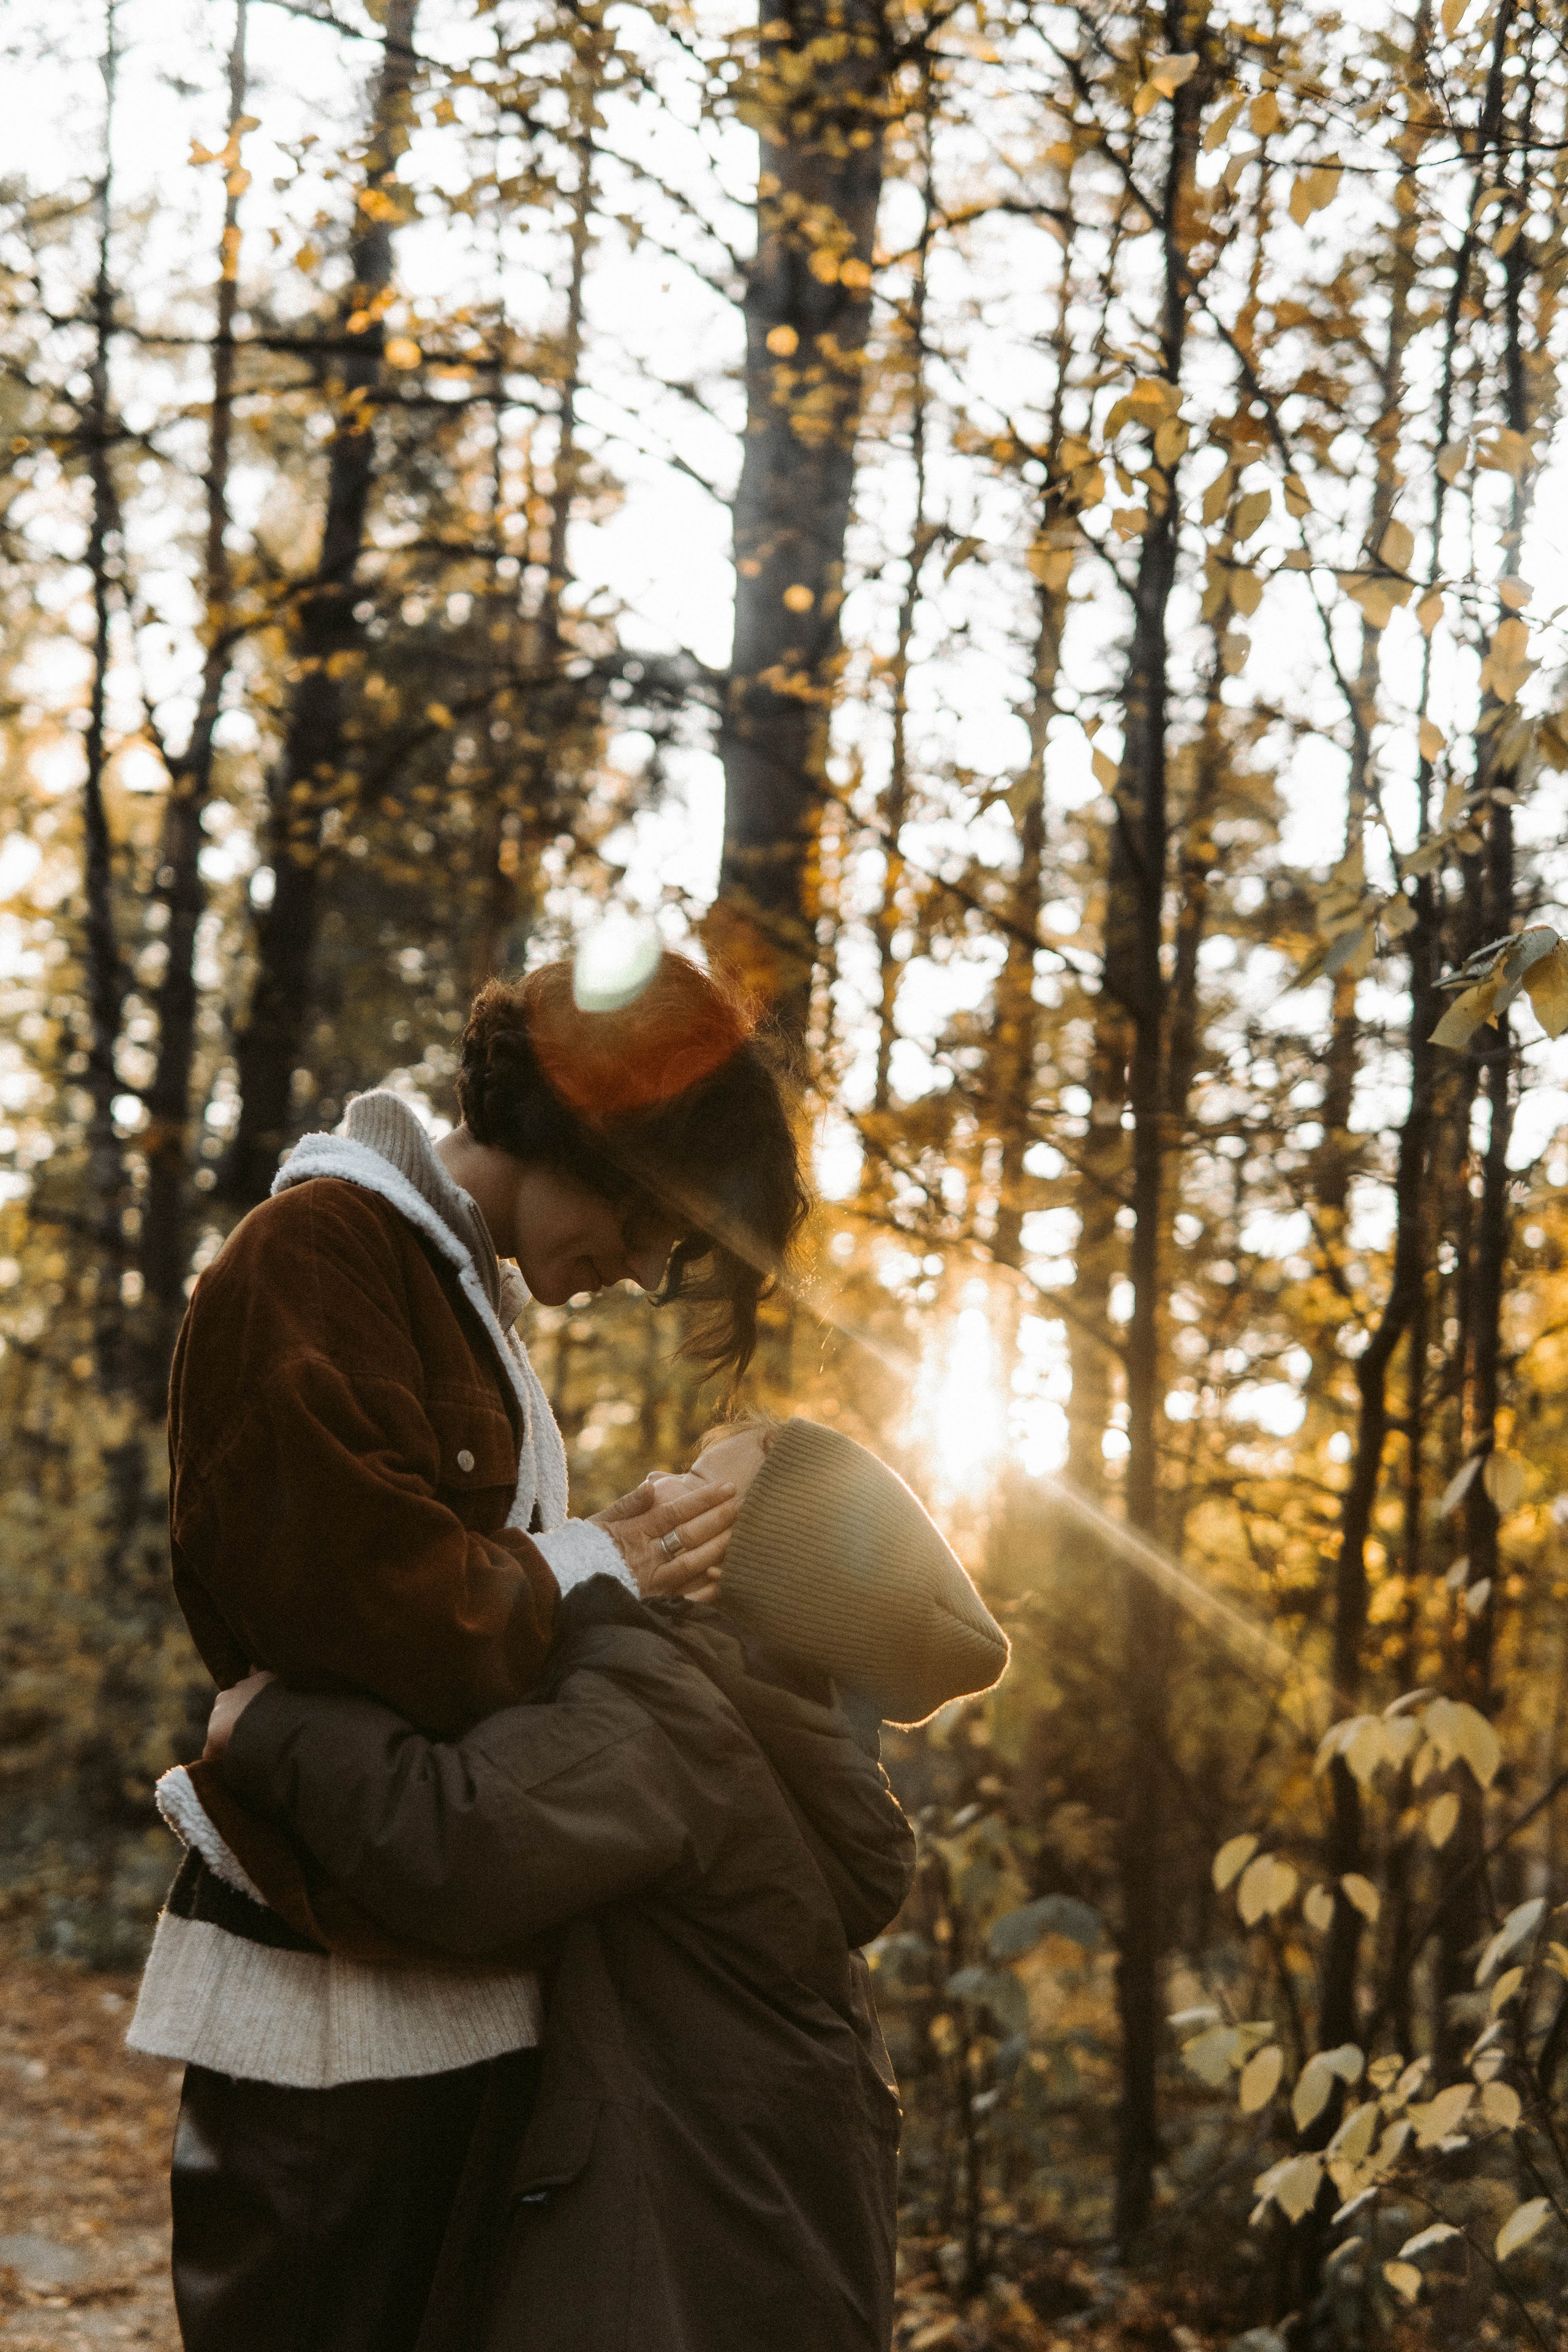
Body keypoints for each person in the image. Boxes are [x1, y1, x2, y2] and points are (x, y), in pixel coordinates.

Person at [127, 948, 809, 2351]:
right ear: (592, 1131)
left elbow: (461, 1601)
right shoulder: (313, 1253)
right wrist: (591, 1567)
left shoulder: (454, 1292)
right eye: (654, 1224)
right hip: (319, 2010)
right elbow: (356, 1604)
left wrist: (602, 1562)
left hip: (436, 1980)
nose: (636, 1272)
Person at [202, 1412, 1010, 2352]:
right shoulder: (790, 1747)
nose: (656, 1482)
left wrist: (274, 1726)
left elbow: (465, 1838)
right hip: (761, 2250)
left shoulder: (673, 1713)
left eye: (696, 1479)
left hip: (651, 2261)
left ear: (729, 1563)